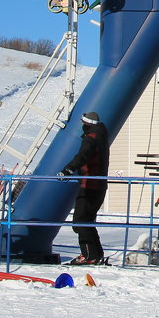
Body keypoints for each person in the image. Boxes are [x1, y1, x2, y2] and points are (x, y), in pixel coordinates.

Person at [59, 111, 110, 265]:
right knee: (86, 220)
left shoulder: (91, 138)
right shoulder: (101, 136)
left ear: (86, 124)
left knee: (80, 221)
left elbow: (83, 156)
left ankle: (89, 255)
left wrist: (68, 169)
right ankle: (95, 253)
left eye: (83, 122)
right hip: (99, 185)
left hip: (89, 185)